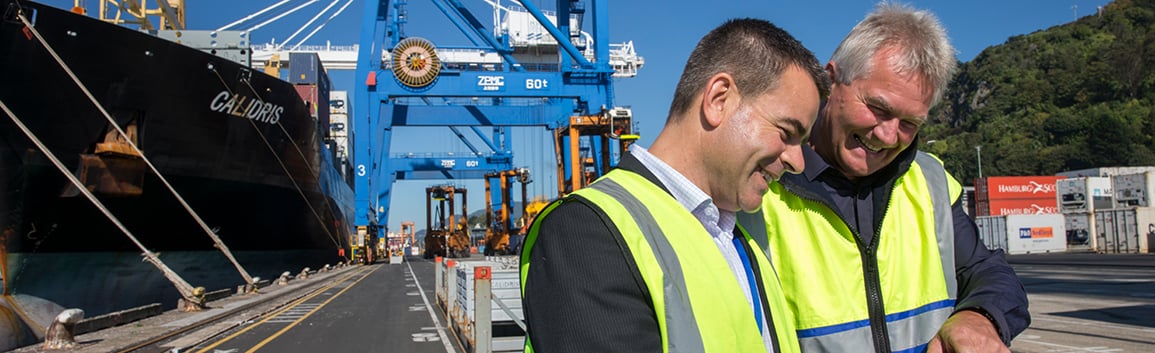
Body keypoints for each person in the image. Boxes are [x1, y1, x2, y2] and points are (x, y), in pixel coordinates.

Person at [520, 18, 829, 353]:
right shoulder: (586, 232)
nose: (798, 162)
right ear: (719, 99)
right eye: (786, 133)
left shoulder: (741, 237)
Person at [739, 3, 1030, 353]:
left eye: (910, 123)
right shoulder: (758, 184)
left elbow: (990, 272)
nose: (889, 136)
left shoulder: (929, 181)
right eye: (878, 109)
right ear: (831, 82)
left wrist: (980, 317)